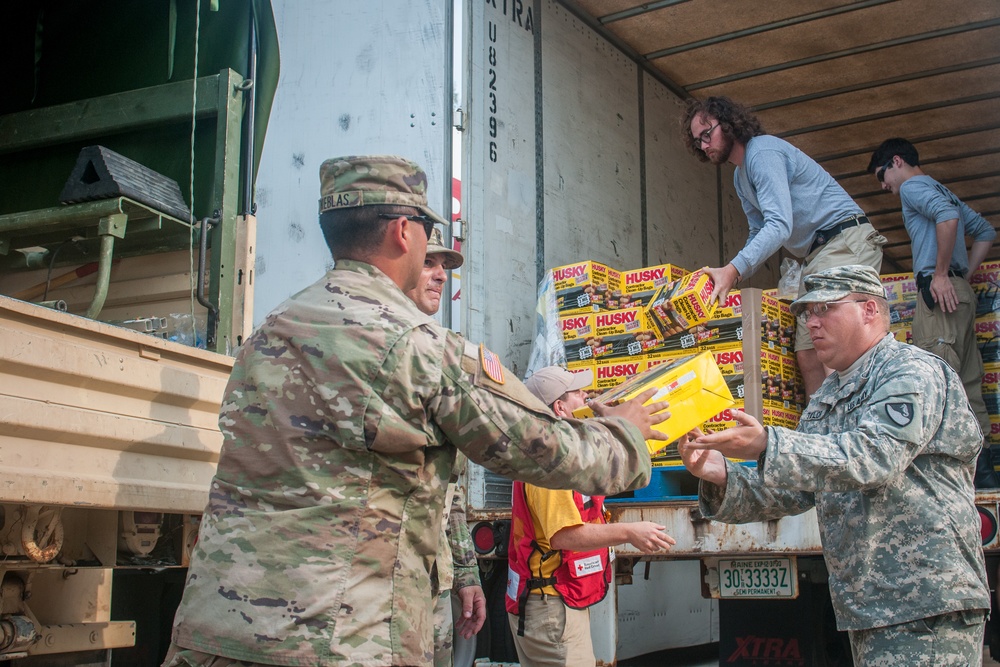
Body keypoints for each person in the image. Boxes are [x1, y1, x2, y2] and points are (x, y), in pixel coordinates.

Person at [162, 155, 671, 667]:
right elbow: (545, 450)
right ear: (404, 232)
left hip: (215, 631)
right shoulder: (418, 347)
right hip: (338, 638)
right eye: (428, 232)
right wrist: (623, 433)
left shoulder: (267, 332)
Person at [678, 264, 990, 666]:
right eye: (807, 313)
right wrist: (720, 473)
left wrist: (769, 443)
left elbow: (874, 457)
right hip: (871, 605)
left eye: (825, 308)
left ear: (869, 310)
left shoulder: (910, 371)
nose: (812, 322)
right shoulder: (828, 396)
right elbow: (797, 487)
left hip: (928, 600)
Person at [683, 96, 885, 396]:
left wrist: (733, 269)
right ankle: (820, 435)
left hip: (843, 240)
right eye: (697, 141)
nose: (703, 145)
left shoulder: (762, 152)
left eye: (707, 133)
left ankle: (851, 432)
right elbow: (758, 231)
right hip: (816, 256)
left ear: (728, 124)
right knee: (808, 352)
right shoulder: (741, 178)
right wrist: (731, 276)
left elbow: (779, 225)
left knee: (834, 347)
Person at [506, 365, 677, 667]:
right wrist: (629, 532)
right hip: (550, 608)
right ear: (560, 408)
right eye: (577, 393)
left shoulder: (561, 454)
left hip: (554, 601)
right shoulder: (549, 462)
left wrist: (617, 429)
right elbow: (564, 535)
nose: (586, 397)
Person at [868, 137, 998, 488]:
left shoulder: (913, 187)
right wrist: (963, 277)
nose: (884, 186)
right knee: (967, 386)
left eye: (882, 175)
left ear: (897, 161)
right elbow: (985, 231)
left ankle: (945, 480)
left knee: (935, 385)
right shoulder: (942, 189)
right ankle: (984, 480)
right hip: (960, 296)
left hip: (941, 296)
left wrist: (941, 275)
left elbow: (947, 217)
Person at [404, 229, 486, 666]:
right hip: (379, 588)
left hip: (431, 583)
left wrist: (466, 575)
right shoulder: (384, 345)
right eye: (429, 263)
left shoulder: (439, 350)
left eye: (444, 267)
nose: (440, 276)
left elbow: (447, 494)